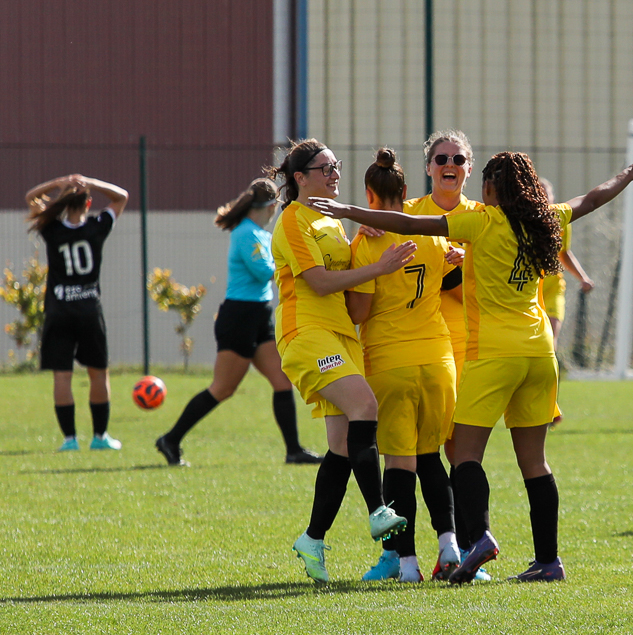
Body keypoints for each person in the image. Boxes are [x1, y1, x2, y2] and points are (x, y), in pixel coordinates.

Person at [306, 150, 633, 584]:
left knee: (464, 456)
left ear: (492, 188)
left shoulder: (483, 222)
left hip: (493, 354)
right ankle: (548, 561)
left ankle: (477, 537)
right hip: (540, 352)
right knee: (535, 463)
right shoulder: (547, 218)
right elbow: (591, 199)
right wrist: (629, 173)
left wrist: (351, 212)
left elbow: (411, 224)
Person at [267, 139, 414, 584]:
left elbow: (341, 266)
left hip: (341, 336)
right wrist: (378, 267)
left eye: (337, 166)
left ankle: (312, 539)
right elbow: (320, 281)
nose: (335, 174)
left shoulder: (330, 219)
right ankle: (377, 511)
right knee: (365, 407)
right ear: (299, 178)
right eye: (325, 168)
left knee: (341, 447)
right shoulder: (293, 220)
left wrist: (361, 239)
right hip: (306, 334)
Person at [348, 148, 463, 583]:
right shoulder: (431, 235)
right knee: (430, 458)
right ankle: (451, 545)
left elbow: (359, 312)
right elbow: (449, 278)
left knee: (399, 467)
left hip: (391, 360)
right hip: (438, 360)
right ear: (407, 192)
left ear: (368, 196)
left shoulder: (367, 241)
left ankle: (408, 564)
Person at [155, 179, 322, 467]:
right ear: (271, 206)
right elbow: (263, 271)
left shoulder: (258, 233)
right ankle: (170, 439)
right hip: (239, 317)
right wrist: (301, 264)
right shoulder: (246, 233)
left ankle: (294, 451)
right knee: (222, 388)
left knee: (282, 382)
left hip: (259, 316)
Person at [26, 175, 129, 452]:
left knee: (62, 376)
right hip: (88, 311)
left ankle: (70, 440)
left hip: (59, 311)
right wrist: (92, 182)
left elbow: (31, 197)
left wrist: (58, 183)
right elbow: (122, 196)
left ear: (64, 202)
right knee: (98, 374)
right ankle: (100, 437)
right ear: (89, 203)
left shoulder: (52, 228)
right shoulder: (97, 227)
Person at [539, 177, 595, 350]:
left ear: (553, 197)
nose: (544, 198)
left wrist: (583, 277)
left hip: (553, 287)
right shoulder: (523, 221)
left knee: (551, 335)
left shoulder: (560, 221)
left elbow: (564, 253)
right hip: (531, 287)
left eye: (547, 194)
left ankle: (551, 374)